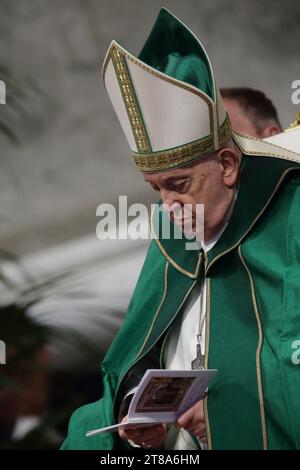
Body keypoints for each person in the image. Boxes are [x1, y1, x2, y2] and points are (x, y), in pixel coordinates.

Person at [62, 8, 300, 450]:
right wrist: (141, 417)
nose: (170, 207)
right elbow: (136, 355)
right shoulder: (173, 234)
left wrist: (231, 412)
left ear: (227, 165)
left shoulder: (291, 217)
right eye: (155, 190)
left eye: (179, 185)